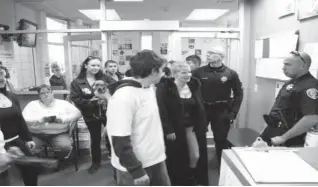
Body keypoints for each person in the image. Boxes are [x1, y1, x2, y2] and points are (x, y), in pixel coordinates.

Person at [106, 50, 171, 186]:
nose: (164, 73)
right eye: (162, 70)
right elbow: (119, 139)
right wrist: (136, 170)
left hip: (156, 159)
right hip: (134, 167)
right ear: (153, 71)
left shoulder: (149, 88)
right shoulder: (124, 97)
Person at [156, 61, 209, 185]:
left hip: (191, 127)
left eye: (189, 72)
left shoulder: (194, 85)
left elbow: (200, 106)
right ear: (174, 74)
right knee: (176, 157)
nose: (188, 75)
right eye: (184, 72)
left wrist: (202, 124)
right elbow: (162, 110)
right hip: (174, 128)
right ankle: (177, 181)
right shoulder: (165, 87)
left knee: (195, 155)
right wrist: (168, 129)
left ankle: (190, 178)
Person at [192, 46, 243, 166]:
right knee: (199, 138)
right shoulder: (199, 72)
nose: (207, 55)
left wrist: (234, 112)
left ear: (221, 56)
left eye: (211, 53)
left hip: (222, 110)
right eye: (208, 52)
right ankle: (200, 167)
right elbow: (191, 90)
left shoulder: (230, 73)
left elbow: (239, 94)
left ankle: (222, 166)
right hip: (203, 109)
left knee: (221, 139)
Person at [258, 51, 318, 147]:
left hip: (288, 137)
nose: (283, 68)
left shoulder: (310, 86)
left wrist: (283, 138)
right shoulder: (291, 82)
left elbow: (311, 118)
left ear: (303, 66)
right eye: (284, 64)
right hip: (273, 130)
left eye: (288, 65)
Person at [70, 56, 114, 174]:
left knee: (113, 135)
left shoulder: (106, 78)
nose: (96, 68)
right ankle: (96, 163)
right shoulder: (77, 82)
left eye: (98, 65)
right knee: (95, 139)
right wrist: (89, 102)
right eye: (93, 65)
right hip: (91, 114)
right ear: (86, 66)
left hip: (108, 112)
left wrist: (108, 98)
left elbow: (117, 90)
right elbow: (75, 98)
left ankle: (116, 159)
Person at [0, 66, 38, 185]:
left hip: (16, 140)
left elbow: (19, 119)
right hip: (1, 144)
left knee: (30, 169)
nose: (1, 78)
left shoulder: (12, 96)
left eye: (2, 74)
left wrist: (27, 138)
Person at [22, 84, 82, 160]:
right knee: (28, 148)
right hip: (36, 134)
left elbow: (78, 114)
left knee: (65, 147)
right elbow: (22, 119)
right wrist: (39, 120)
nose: (46, 94)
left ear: (52, 92)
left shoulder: (63, 103)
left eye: (48, 92)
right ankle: (40, 162)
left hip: (59, 134)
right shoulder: (32, 105)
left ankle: (56, 158)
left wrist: (63, 119)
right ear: (39, 95)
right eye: (42, 93)